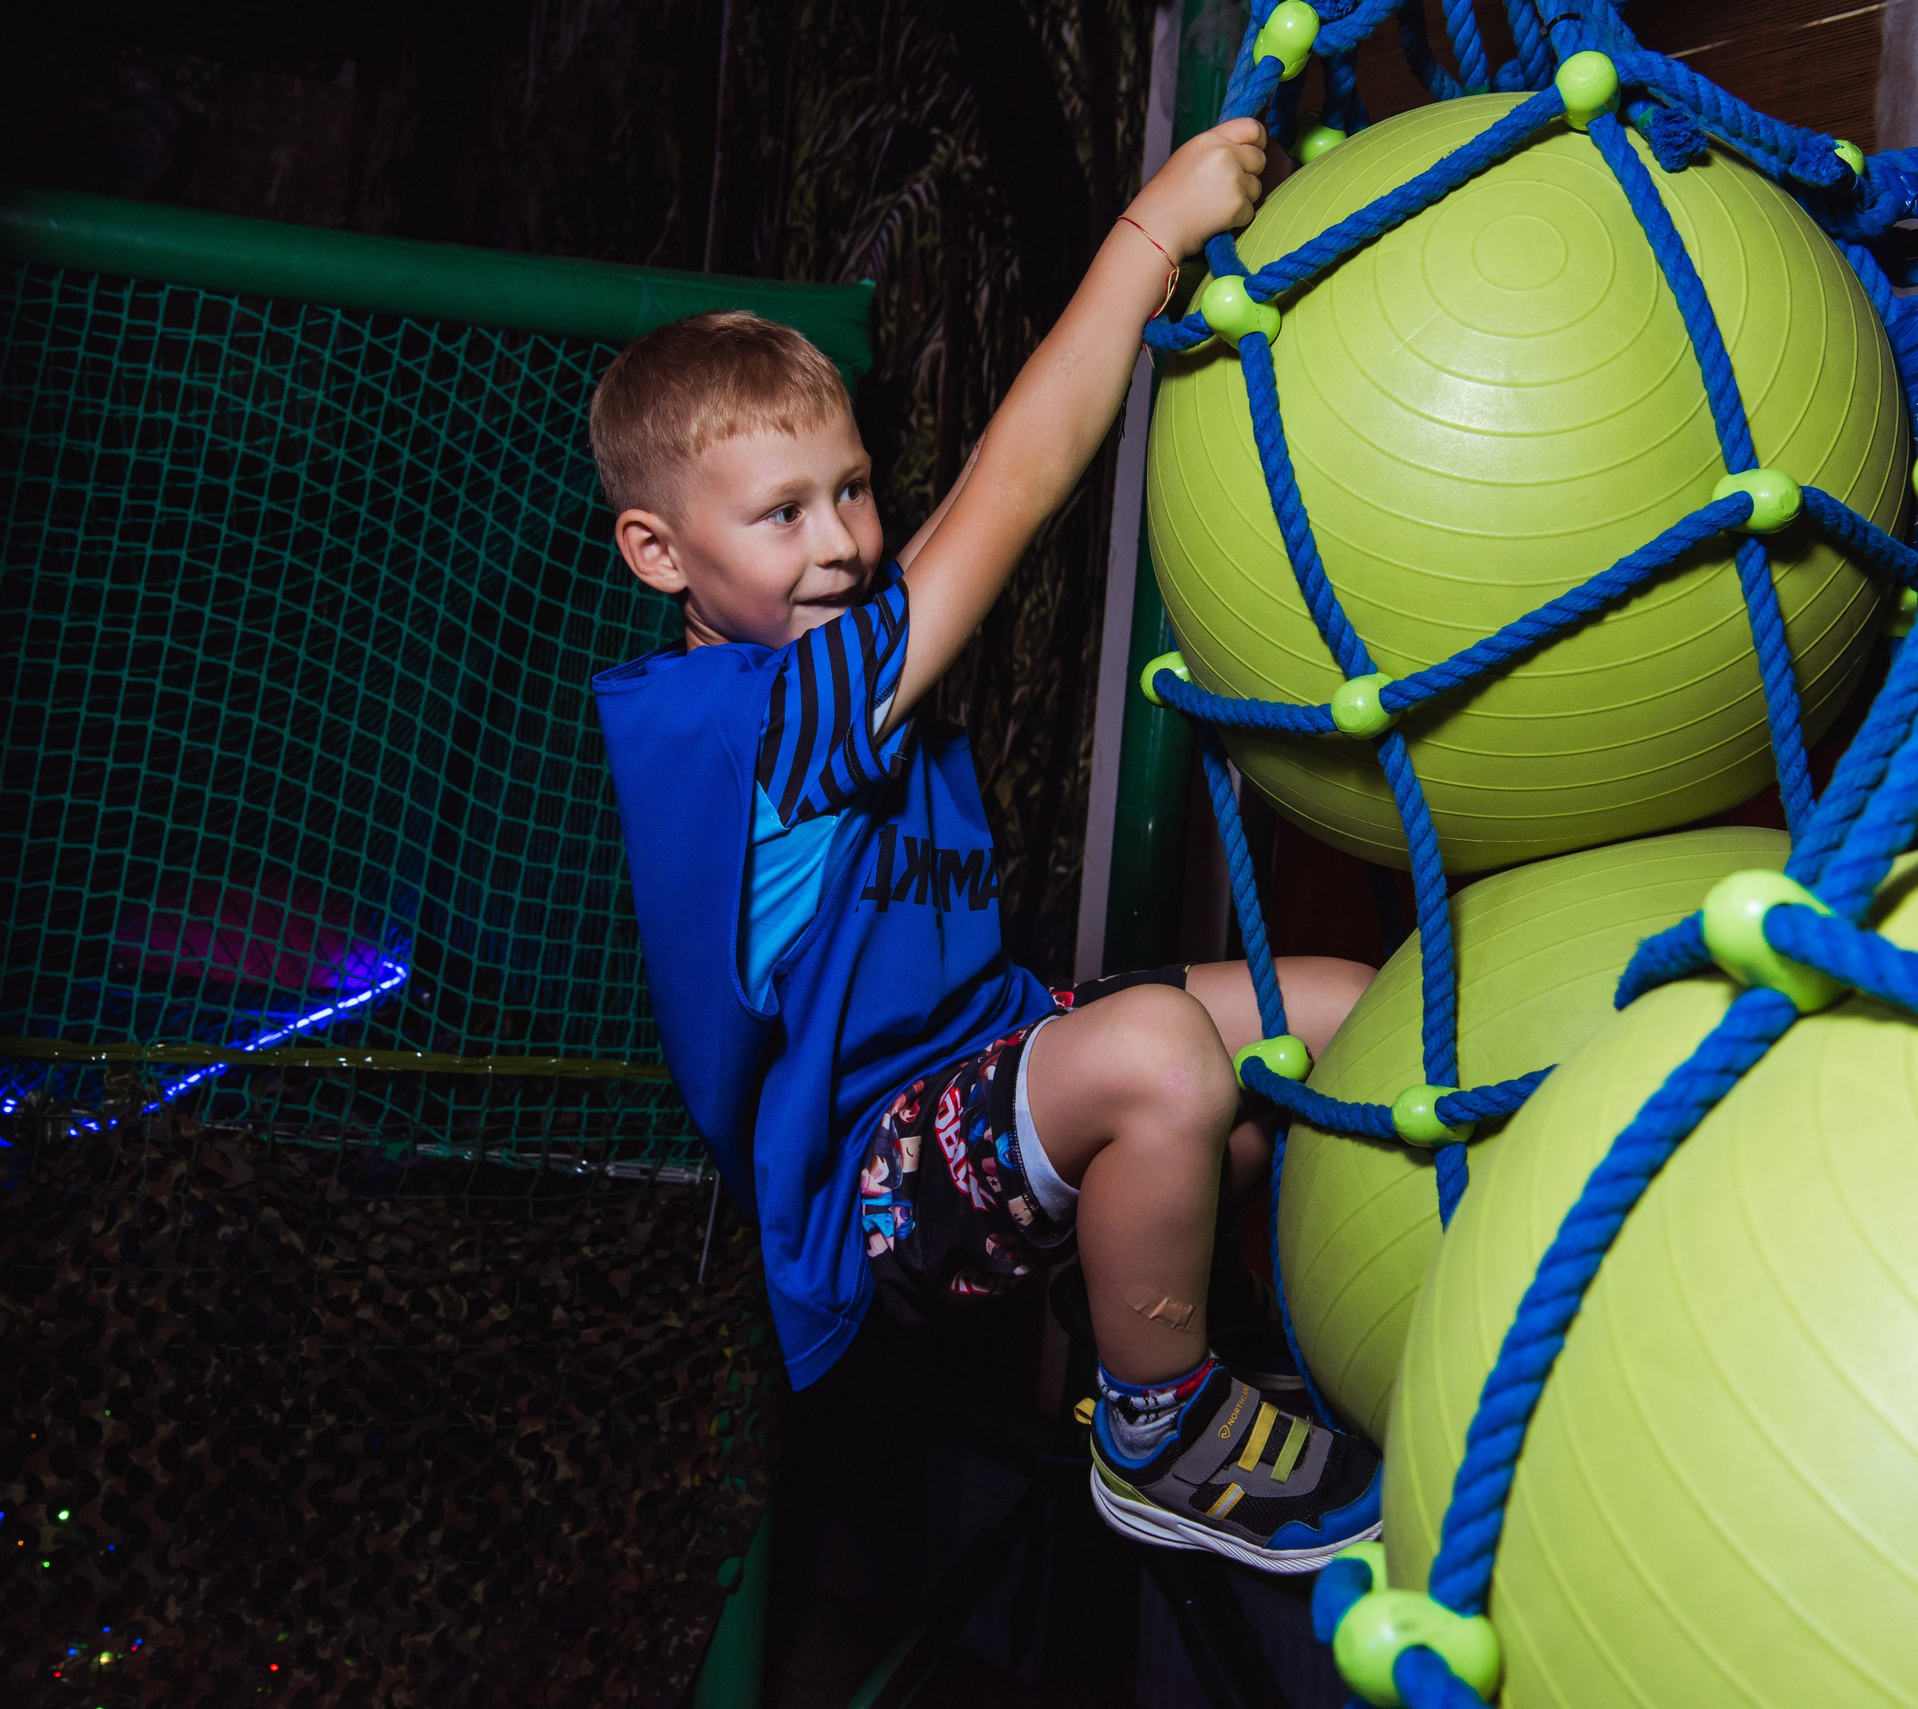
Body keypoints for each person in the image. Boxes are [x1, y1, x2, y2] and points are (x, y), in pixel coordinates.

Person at [589, 116, 1382, 1571]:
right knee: (1163, 1056)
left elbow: (956, 508)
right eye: (780, 515)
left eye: (850, 489)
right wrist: (1152, 234)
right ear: (659, 553)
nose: (841, 542)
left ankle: (1165, 1278)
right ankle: (1156, 1425)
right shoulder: (767, 716)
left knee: (1344, 1006)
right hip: (875, 1190)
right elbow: (1013, 488)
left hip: (992, 1052)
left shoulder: (815, 658)